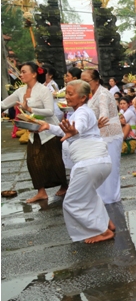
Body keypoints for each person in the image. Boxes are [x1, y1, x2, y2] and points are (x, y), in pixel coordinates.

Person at [36, 80, 115, 244]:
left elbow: (77, 126)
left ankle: (101, 231)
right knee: (90, 195)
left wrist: (74, 130)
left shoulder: (82, 113)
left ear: (83, 97)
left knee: (71, 202)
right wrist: (49, 127)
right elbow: (69, 129)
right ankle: (106, 223)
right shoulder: (80, 112)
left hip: (89, 163)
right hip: (99, 162)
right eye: (66, 93)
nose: (67, 97)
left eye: (71, 94)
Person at [1, 62, 68, 203]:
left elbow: (50, 111)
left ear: (34, 74)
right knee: (33, 161)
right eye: (21, 72)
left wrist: (30, 110)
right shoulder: (20, 91)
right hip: (33, 130)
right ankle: (41, 192)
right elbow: (4, 104)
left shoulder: (43, 90)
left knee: (55, 161)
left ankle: (65, 186)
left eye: (24, 71)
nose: (21, 74)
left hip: (49, 130)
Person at [82, 69, 123, 205]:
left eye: (87, 81)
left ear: (96, 81)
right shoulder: (91, 94)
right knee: (100, 167)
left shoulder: (103, 94)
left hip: (110, 134)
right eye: (81, 81)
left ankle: (112, 198)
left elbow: (104, 113)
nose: (84, 84)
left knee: (111, 168)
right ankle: (102, 197)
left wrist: (96, 123)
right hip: (99, 135)